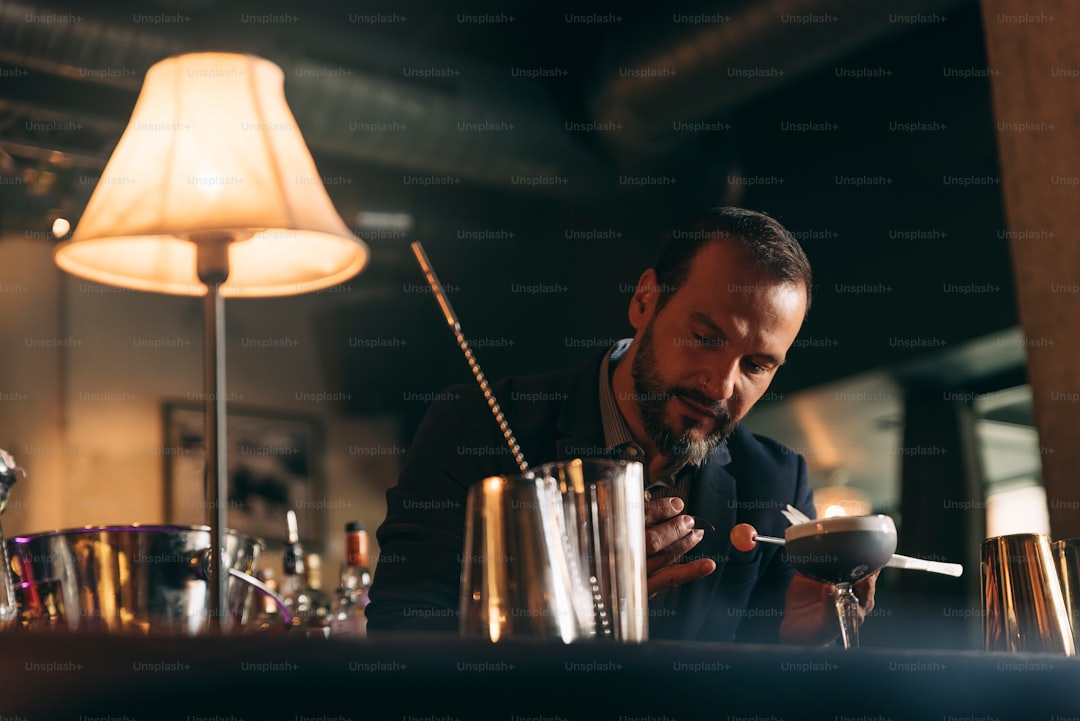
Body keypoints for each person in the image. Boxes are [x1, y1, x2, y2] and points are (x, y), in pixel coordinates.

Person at [366, 206, 877, 643]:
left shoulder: (777, 479)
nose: (722, 387)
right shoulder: (479, 425)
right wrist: (565, 601)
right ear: (644, 301)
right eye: (705, 337)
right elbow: (401, 633)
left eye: (756, 366)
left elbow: (758, 686)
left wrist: (793, 641)